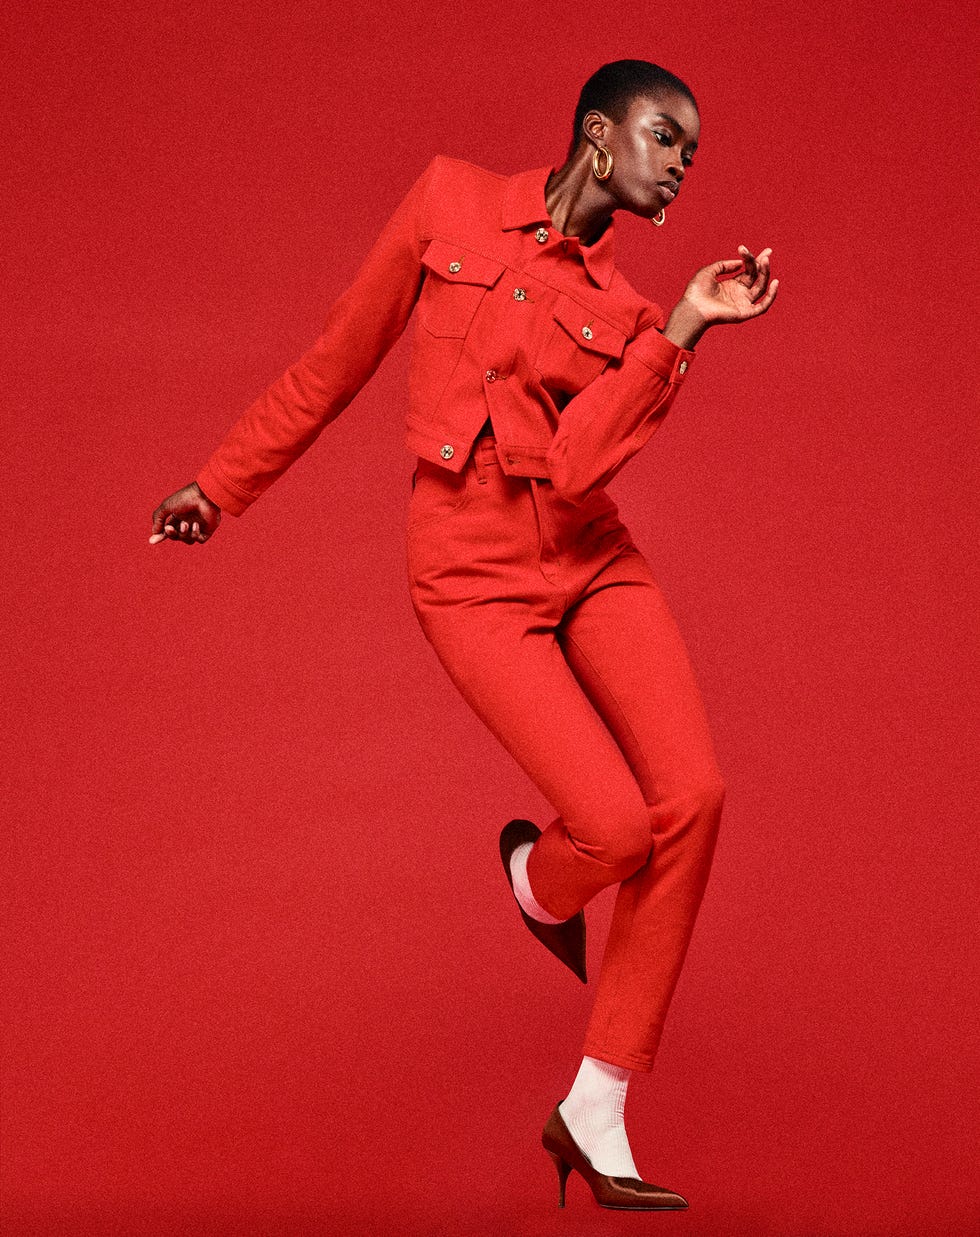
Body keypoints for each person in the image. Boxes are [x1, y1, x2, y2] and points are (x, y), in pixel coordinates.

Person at [150, 59, 778, 1211]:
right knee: (612, 825)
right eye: (662, 137)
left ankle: (595, 1103)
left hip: (589, 556)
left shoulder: (634, 315)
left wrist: (683, 324)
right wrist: (218, 485)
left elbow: (582, 464)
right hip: (468, 571)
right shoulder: (446, 199)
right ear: (598, 131)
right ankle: (540, 883)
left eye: (692, 149)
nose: (681, 163)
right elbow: (334, 362)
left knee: (693, 795)